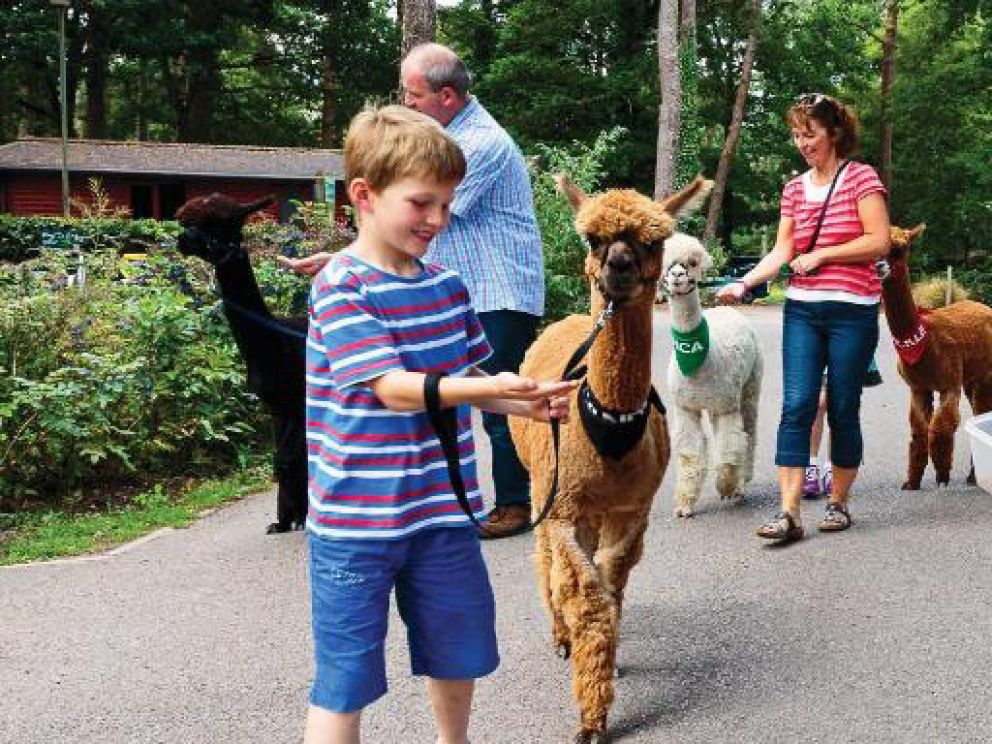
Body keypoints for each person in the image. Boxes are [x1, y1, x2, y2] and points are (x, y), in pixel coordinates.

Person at [302, 105, 575, 744]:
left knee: (458, 657)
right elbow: (392, 389)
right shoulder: (342, 286)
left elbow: (473, 380)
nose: (438, 220)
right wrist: (489, 386)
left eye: (447, 205)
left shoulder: (449, 287)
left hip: (443, 516)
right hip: (355, 525)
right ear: (364, 196)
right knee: (344, 681)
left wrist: (525, 403)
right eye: (422, 202)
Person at [283, 43, 545, 540]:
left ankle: (515, 502)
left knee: (491, 390)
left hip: (497, 288)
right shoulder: (447, 143)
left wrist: (345, 258)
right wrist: (347, 258)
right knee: (478, 387)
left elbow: (419, 221)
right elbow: (399, 226)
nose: (406, 102)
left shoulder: (479, 144)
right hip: (471, 287)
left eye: (413, 93)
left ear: (447, 95)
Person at [717, 93, 890, 542]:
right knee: (796, 405)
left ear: (833, 133)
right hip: (803, 312)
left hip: (854, 312)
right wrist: (745, 283)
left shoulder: (860, 178)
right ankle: (789, 514)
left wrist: (823, 255)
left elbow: (879, 241)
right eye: (796, 135)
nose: (802, 143)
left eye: (809, 133)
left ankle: (838, 503)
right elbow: (782, 249)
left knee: (843, 407)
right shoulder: (794, 189)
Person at [805, 355, 882, 498]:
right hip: (816, 340)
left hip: (844, 340)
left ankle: (832, 468)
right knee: (818, 404)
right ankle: (810, 465)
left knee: (837, 403)